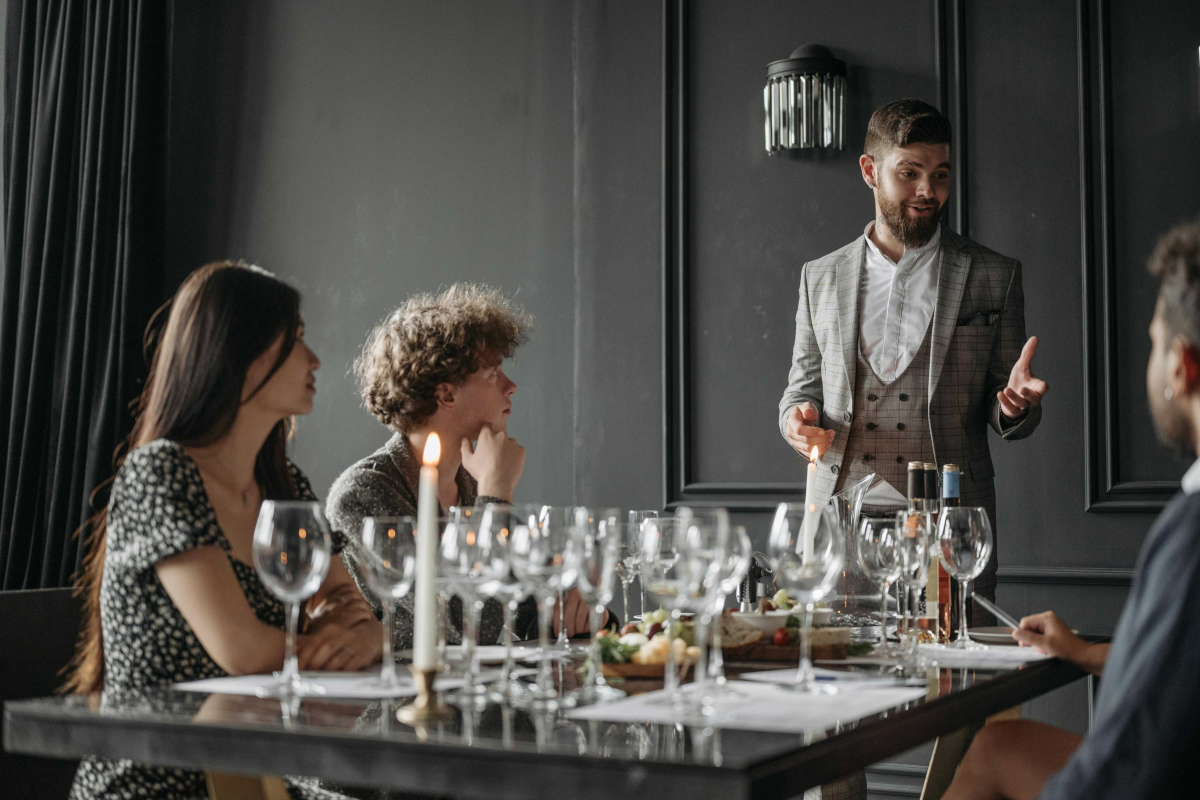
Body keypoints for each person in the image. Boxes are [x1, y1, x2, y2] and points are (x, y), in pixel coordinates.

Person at [64, 262, 381, 800]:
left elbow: (354, 609)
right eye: (298, 340)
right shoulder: (160, 473)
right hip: (159, 779)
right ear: (244, 355)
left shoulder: (282, 485)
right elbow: (242, 649)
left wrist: (360, 635)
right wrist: (337, 643)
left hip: (250, 778)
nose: (315, 360)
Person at [942, 217, 1200, 799]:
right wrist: (1081, 652)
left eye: (1155, 344)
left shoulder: (1192, 536)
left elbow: (1135, 756)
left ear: (1182, 368)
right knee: (996, 747)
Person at [778, 98, 1049, 612]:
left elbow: (1007, 402)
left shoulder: (994, 275)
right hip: (837, 524)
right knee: (843, 680)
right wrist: (795, 420)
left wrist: (1013, 406)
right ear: (869, 170)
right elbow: (801, 388)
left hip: (950, 523)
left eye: (941, 175)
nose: (929, 191)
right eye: (910, 173)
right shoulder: (821, 276)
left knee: (949, 685)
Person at [326, 283, 604, 651]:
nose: (511, 387)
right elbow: (464, 624)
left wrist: (580, 602)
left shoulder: (470, 483)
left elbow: (525, 612)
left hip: (471, 694)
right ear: (446, 394)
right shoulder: (363, 494)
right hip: (394, 704)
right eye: (493, 374)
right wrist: (496, 496)